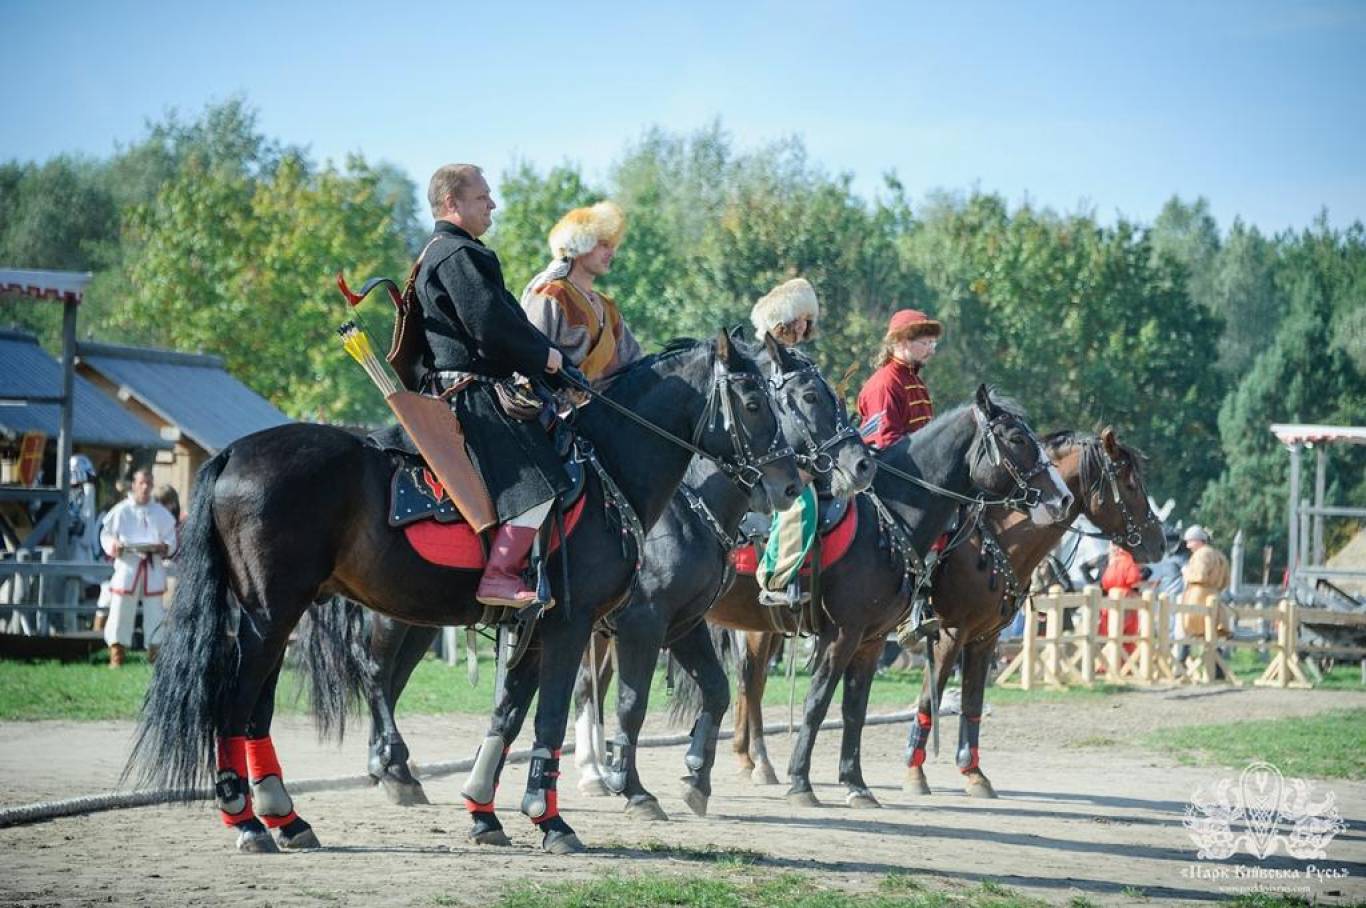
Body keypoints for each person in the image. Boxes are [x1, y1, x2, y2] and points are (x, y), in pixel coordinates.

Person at [414, 163, 581, 608]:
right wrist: (547, 359)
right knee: (541, 475)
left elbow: (507, 323)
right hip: (472, 394)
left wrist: (556, 365)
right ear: (452, 203)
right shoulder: (457, 254)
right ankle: (501, 575)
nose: (493, 204)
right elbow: (492, 327)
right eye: (482, 197)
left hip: (467, 386)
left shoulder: (447, 251)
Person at [747, 278, 820, 602]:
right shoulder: (760, 365)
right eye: (798, 318)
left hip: (801, 457)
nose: (803, 325)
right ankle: (775, 579)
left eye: (807, 319)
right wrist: (797, 467)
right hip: (767, 462)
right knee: (801, 503)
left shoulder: (801, 362)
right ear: (782, 322)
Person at [521, 201, 642, 386]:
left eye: (612, 246)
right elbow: (528, 358)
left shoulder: (608, 306)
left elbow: (635, 364)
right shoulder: (551, 295)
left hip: (609, 404)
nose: (611, 253)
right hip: (553, 403)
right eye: (604, 245)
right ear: (580, 243)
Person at [100, 468, 177, 667]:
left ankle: (155, 656)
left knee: (155, 614)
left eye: (149, 483)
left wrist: (164, 546)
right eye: (141, 483)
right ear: (134, 485)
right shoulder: (121, 510)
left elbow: (171, 539)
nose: (145, 487)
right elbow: (106, 535)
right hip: (127, 568)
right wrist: (114, 545)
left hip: (152, 569)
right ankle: (116, 656)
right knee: (120, 612)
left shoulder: (160, 513)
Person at [857, 309, 942, 450]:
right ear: (903, 342)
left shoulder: (915, 381)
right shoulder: (884, 384)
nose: (932, 351)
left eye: (933, 344)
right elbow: (887, 446)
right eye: (925, 343)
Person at [1180, 524, 1231, 640]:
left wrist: (1186, 573)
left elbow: (1200, 575)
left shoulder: (1201, 554)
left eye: (1190, 542)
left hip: (1198, 596)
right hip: (1215, 594)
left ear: (1198, 540)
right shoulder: (1219, 555)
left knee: (1196, 630)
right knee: (1211, 631)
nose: (1188, 546)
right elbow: (1226, 579)